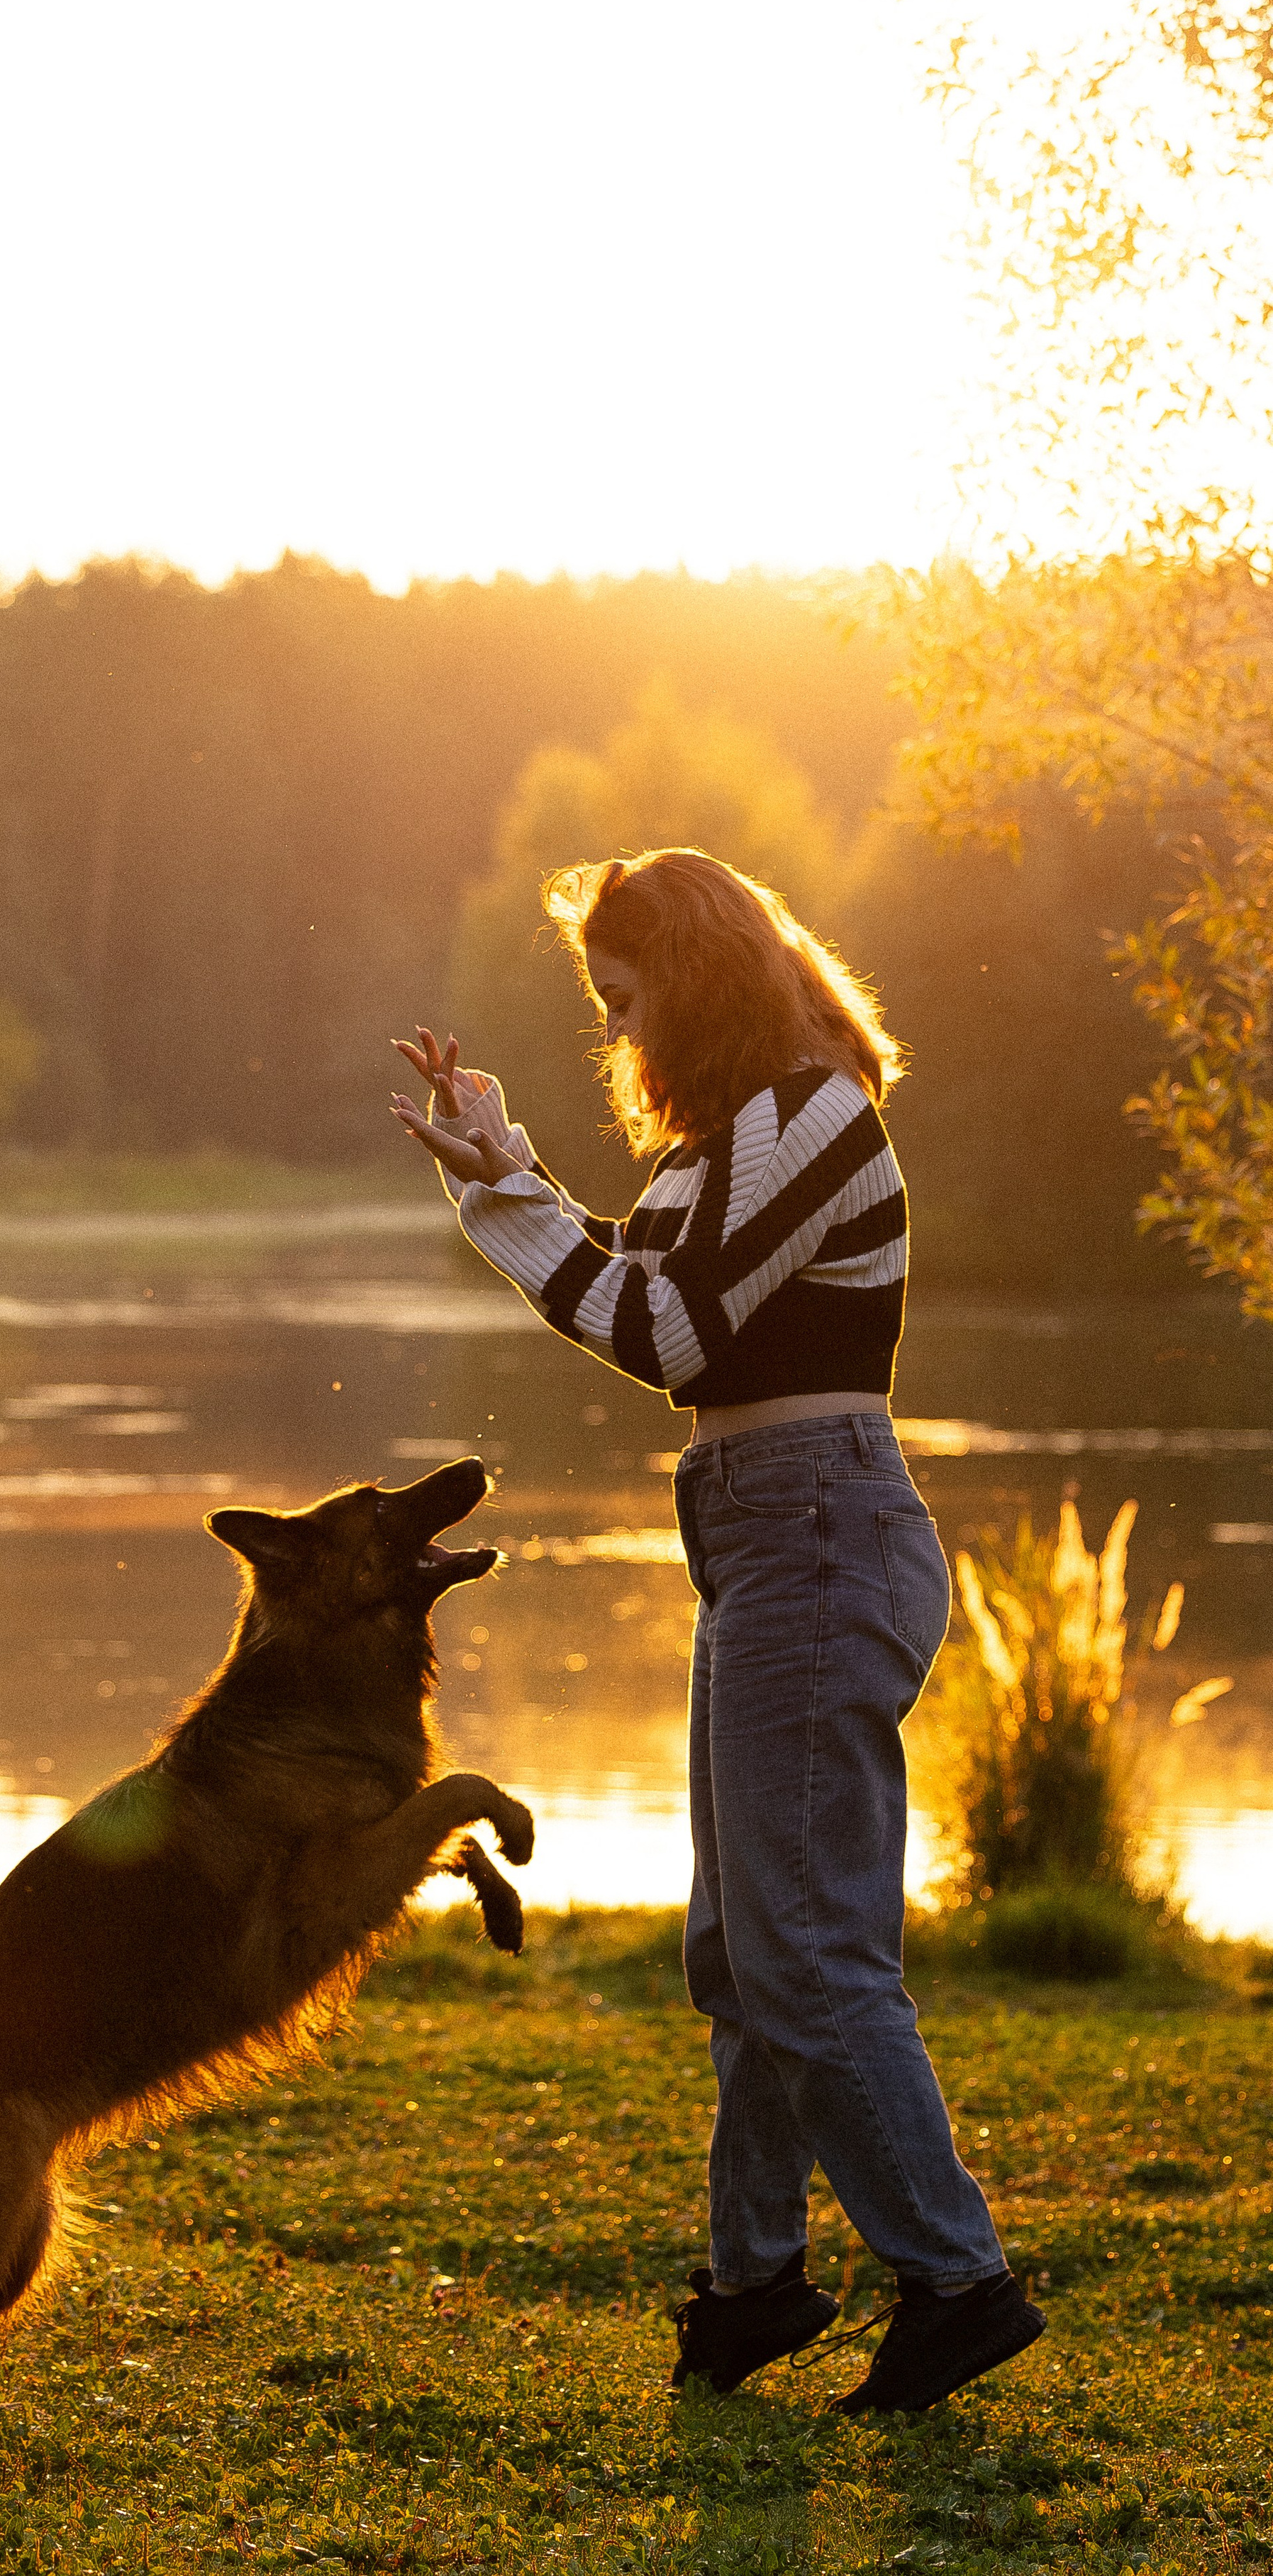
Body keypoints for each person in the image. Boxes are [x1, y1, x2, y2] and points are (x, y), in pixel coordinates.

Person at [390, 845, 1043, 2416]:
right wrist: (503, 1164)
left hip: (815, 1527)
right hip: (766, 1526)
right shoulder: (737, 1138)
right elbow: (650, 1277)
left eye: (625, 1002)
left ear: (693, 975)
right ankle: (755, 2283)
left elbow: (659, 1330)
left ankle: (955, 2280)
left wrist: (499, 1197)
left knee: (803, 1951)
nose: (619, 1037)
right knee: (740, 1949)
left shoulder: (810, 1116)